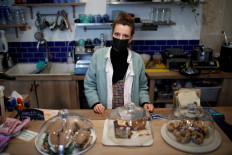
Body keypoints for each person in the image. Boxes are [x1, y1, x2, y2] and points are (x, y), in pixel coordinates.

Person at [84, 12, 154, 114]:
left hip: (131, 115)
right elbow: (90, 84)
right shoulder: (98, 56)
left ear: (131, 39)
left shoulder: (137, 60)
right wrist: (95, 103)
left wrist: (145, 102)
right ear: (112, 33)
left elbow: (142, 87)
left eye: (125, 36)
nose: (120, 38)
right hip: (105, 113)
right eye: (117, 34)